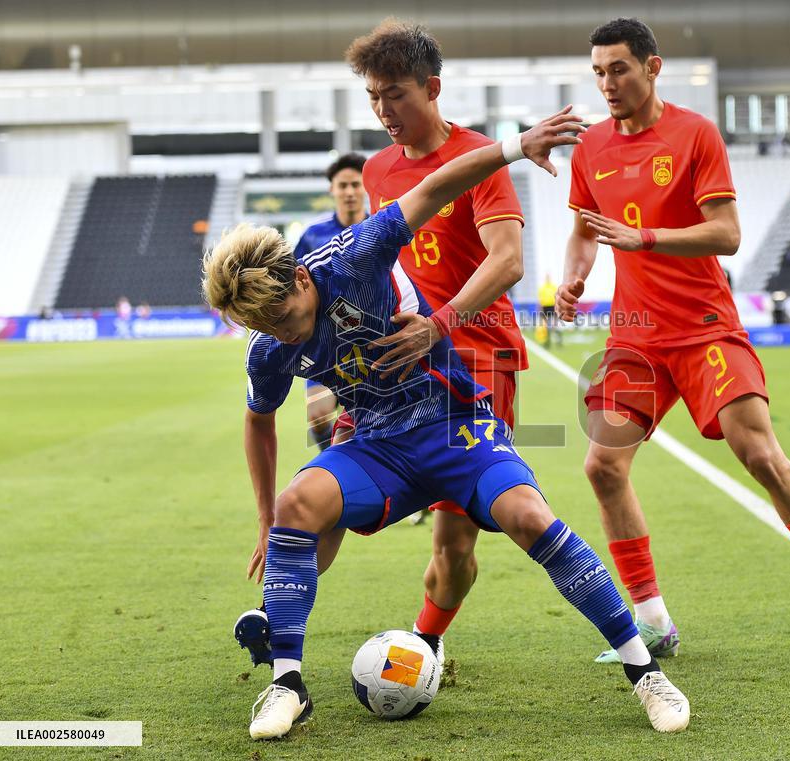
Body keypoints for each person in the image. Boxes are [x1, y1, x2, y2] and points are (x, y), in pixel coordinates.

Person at [202, 110, 691, 739]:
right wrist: (267, 520)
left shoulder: (353, 256)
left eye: (287, 316)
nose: (285, 334)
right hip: (377, 444)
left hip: (457, 424)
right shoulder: (270, 346)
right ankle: (285, 685)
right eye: (268, 329)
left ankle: (644, 670)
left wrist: (515, 146)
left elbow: (434, 188)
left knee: (529, 518)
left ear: (300, 277)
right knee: (299, 505)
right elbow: (258, 420)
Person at [556, 18, 790, 666]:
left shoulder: (693, 133)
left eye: (618, 68)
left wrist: (645, 237)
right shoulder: (590, 146)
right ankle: (653, 622)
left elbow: (728, 232)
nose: (607, 82)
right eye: (597, 71)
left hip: (704, 324)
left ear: (653, 68)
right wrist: (574, 272)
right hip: (637, 334)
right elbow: (585, 229)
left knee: (758, 451)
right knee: (602, 464)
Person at [232, 20, 530, 671]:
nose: (382, 109)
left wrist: (442, 321)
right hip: (388, 365)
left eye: (393, 94)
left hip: (477, 353)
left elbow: (508, 262)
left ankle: (425, 641)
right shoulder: (376, 168)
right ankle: (278, 611)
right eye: (372, 96)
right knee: (328, 486)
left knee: (454, 541)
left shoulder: (478, 155)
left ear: (432, 88)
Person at [295, 153, 369, 450]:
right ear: (332, 190)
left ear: (365, 188)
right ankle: (333, 466)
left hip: (372, 343)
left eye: (355, 184)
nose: (350, 192)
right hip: (326, 345)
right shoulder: (314, 235)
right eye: (343, 186)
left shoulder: (378, 227)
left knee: (370, 422)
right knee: (319, 416)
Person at [537, 273, 562, 347]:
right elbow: (540, 300)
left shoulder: (553, 287)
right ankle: (547, 342)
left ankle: (559, 341)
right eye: (546, 277)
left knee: (555, 325)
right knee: (546, 326)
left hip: (553, 307)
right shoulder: (542, 288)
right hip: (545, 308)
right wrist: (540, 310)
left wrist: (557, 308)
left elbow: (557, 298)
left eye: (548, 277)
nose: (547, 279)